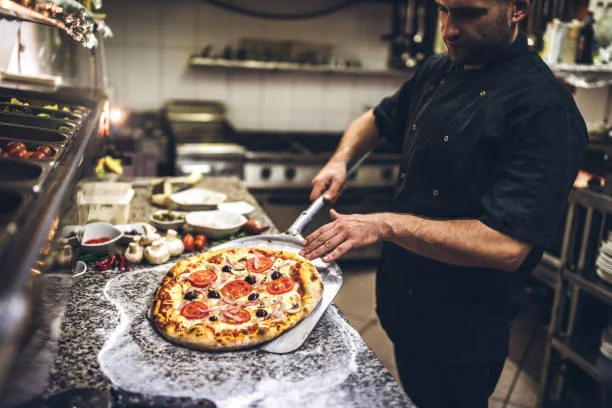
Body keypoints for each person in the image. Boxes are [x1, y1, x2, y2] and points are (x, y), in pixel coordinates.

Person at [300, 0, 589, 407]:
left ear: (518, 9)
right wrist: (340, 160)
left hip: (461, 330)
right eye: (443, 9)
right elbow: (378, 119)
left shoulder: (544, 110)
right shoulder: (440, 69)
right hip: (405, 308)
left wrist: (385, 224)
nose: (449, 28)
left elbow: (507, 247)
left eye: (469, 12)